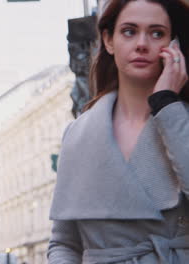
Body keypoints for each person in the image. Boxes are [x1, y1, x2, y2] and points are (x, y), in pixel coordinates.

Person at [48, 0, 188, 263]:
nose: (142, 43)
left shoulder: (181, 121)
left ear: (174, 45)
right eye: (129, 31)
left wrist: (167, 105)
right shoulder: (79, 134)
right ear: (108, 41)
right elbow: (64, 242)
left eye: (157, 33)